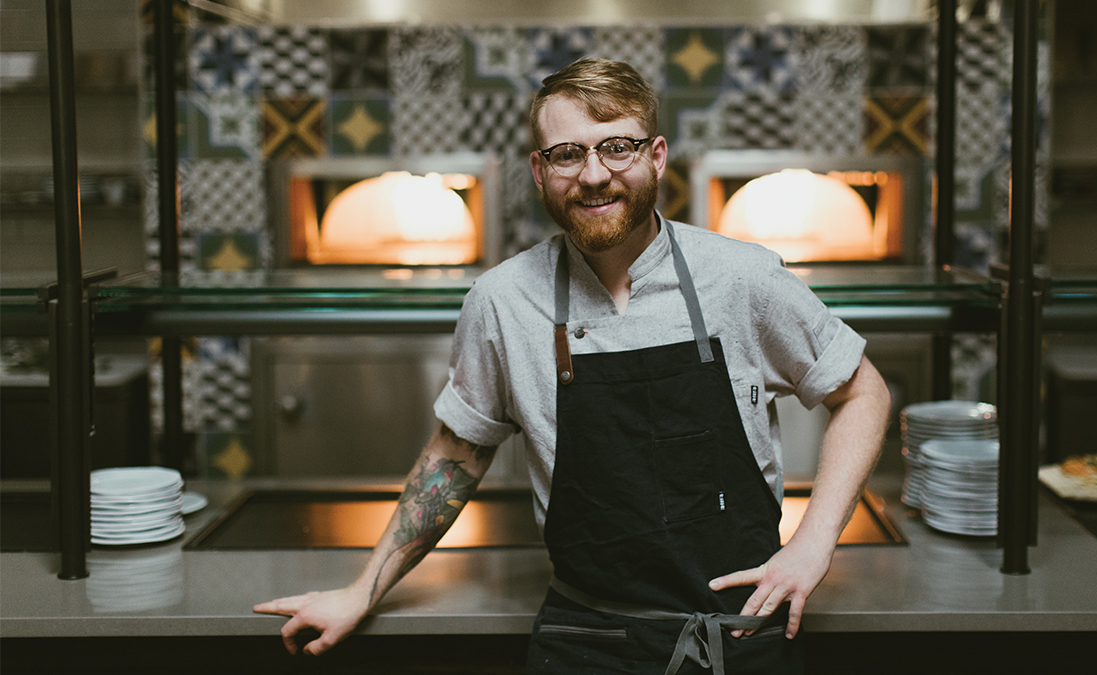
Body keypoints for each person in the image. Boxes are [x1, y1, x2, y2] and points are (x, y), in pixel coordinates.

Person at [254, 58, 891, 674]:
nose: (593, 175)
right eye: (567, 153)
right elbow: (456, 454)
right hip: (587, 636)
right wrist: (362, 591)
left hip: (741, 630)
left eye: (617, 147)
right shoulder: (503, 301)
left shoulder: (741, 278)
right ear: (539, 169)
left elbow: (864, 394)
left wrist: (812, 546)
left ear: (656, 156)